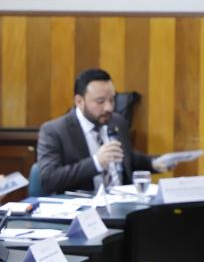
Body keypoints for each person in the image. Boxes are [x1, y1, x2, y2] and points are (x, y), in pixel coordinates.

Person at [36, 68, 168, 195]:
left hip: (122, 204)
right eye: (100, 101)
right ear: (79, 101)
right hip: (83, 211)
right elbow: (49, 180)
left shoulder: (117, 121)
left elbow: (127, 158)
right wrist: (96, 163)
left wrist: (155, 162)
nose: (109, 107)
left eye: (112, 100)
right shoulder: (54, 131)